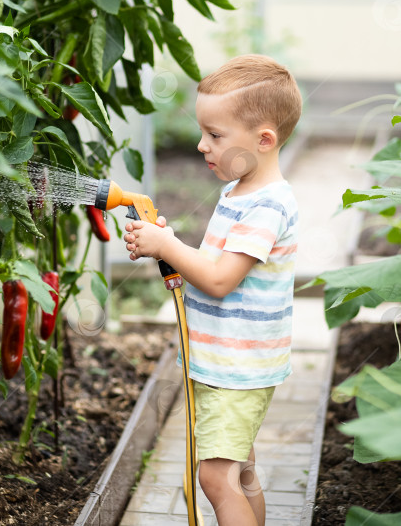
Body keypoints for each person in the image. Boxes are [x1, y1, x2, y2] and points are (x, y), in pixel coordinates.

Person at [123, 54, 302, 526]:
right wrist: (166, 249)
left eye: (215, 135)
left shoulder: (265, 206)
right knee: (240, 474)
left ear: (264, 140)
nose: (202, 145)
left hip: (235, 369)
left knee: (216, 480)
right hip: (228, 363)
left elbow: (221, 281)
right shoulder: (240, 191)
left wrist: (170, 244)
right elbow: (211, 269)